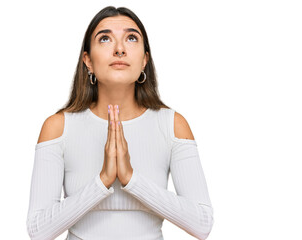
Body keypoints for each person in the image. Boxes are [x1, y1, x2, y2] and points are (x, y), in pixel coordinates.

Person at [26, 6, 214, 240]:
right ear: (88, 61)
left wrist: (130, 179)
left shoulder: (172, 124)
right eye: (105, 38)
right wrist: (103, 181)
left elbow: (202, 223)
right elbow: (38, 230)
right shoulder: (58, 127)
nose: (119, 49)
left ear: (144, 60)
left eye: (131, 38)